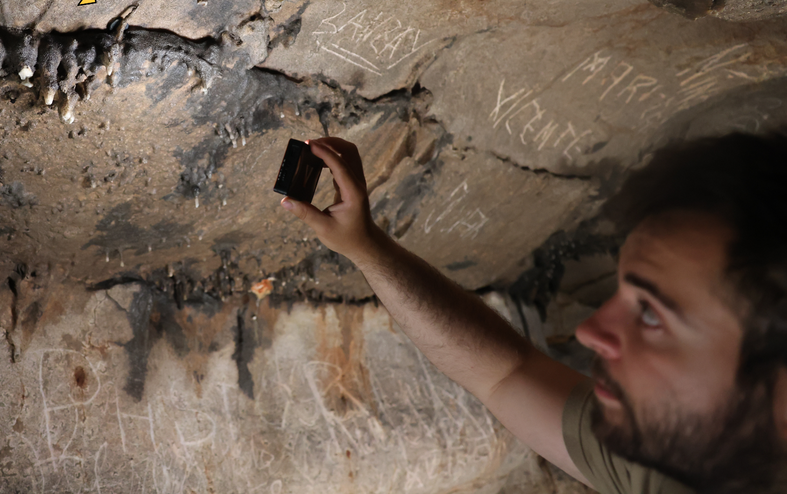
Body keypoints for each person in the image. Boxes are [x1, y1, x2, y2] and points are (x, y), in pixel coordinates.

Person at [280, 133, 787, 494]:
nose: (590, 332)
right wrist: (366, 248)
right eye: (623, 294)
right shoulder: (686, 460)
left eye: (652, 315)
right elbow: (505, 373)